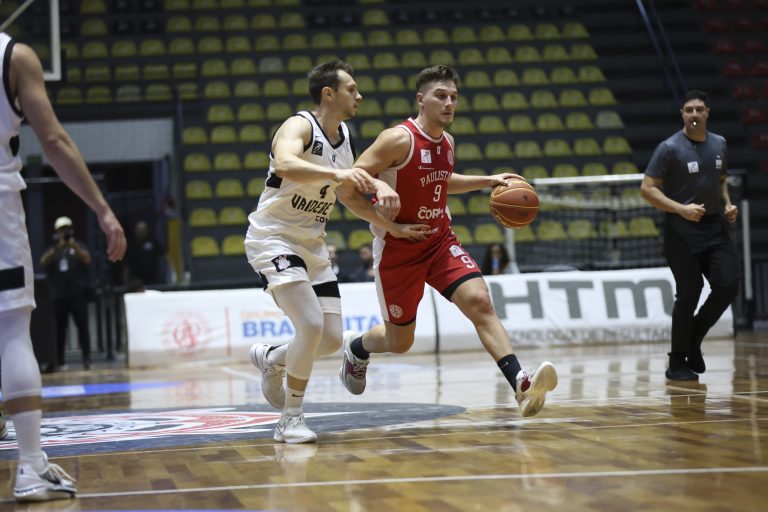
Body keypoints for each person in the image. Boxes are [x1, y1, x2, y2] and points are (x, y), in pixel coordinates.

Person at [337, 65, 558, 417]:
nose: (449, 103)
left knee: (480, 301)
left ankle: (520, 383)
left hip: (439, 241)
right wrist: (387, 218)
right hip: (398, 249)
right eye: (441, 96)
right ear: (420, 99)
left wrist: (487, 180)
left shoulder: (448, 142)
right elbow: (350, 182)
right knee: (399, 341)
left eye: (454, 97)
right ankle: (358, 347)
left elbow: (442, 179)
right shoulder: (397, 139)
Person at [244, 60, 431, 443]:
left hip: (313, 245)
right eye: (352, 89)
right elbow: (285, 162)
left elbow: (348, 196)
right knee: (310, 325)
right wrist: (338, 174)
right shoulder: (299, 125)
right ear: (328, 93)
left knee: (330, 339)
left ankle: (271, 357)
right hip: (274, 238)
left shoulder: (344, 136)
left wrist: (391, 226)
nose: (359, 95)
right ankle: (290, 419)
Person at [0, 34, 126, 501]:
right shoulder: (14, 56)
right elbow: (52, 140)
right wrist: (102, 209)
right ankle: (31, 466)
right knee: (12, 331)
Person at [640, 89, 739, 381]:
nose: (694, 114)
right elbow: (647, 189)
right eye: (688, 110)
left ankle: (693, 336)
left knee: (728, 285)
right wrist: (680, 209)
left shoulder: (720, 143)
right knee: (689, 292)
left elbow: (721, 181)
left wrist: (727, 203)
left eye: (699, 109)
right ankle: (676, 362)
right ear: (682, 114)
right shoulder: (669, 148)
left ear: (707, 112)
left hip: (714, 226)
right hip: (681, 230)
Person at [40, 216, 92, 370]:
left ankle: (87, 358)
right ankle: (59, 360)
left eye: (67, 229)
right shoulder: (52, 248)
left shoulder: (78, 245)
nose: (64, 233)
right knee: (59, 330)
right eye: (61, 230)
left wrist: (73, 246)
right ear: (57, 232)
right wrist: (58, 248)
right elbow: (43, 262)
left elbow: (87, 259)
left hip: (77, 294)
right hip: (59, 296)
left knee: (82, 327)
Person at [123, 220, 166, 288]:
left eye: (143, 230)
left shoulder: (153, 242)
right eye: (139, 230)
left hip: (153, 279)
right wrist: (125, 281)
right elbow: (126, 265)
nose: (141, 232)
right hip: (137, 281)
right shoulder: (131, 246)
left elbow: (165, 256)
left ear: (147, 230)